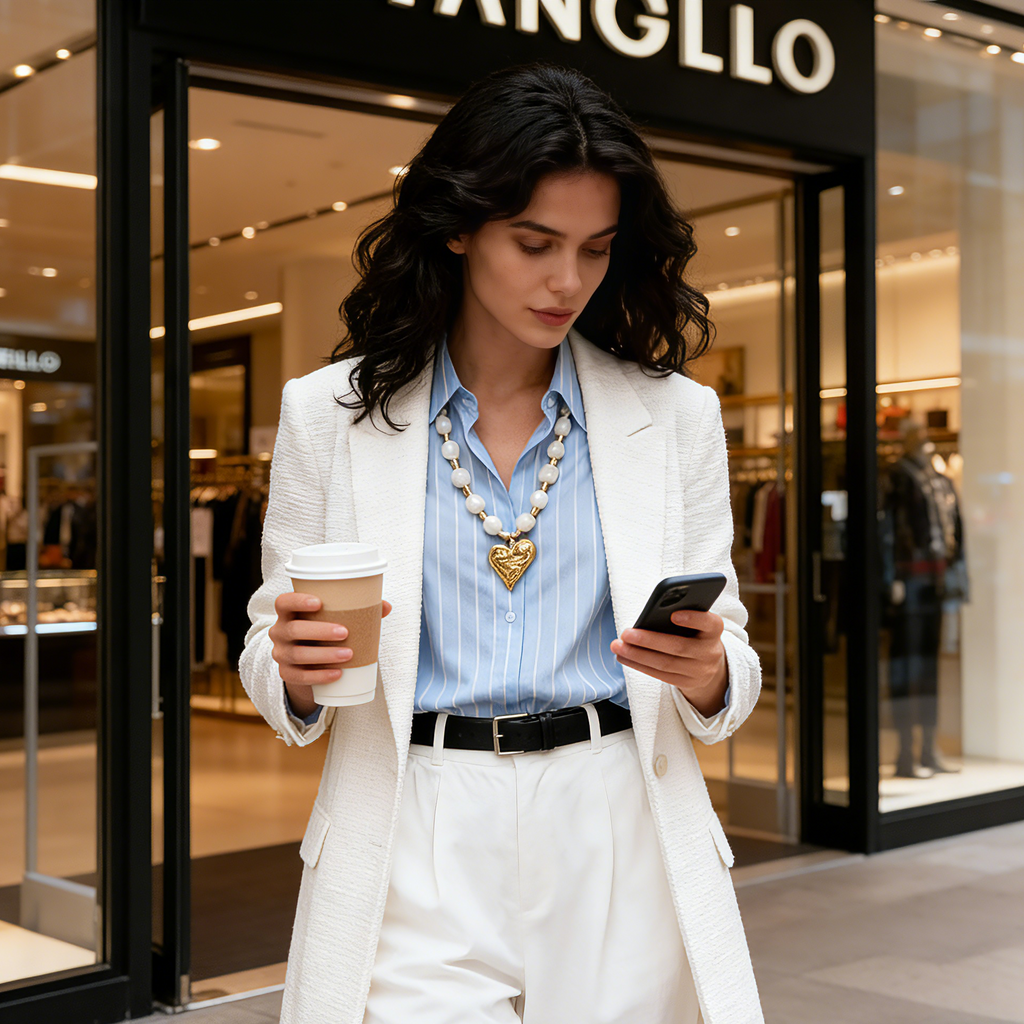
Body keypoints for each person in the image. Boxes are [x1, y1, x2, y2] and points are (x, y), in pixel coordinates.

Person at [239, 62, 764, 1024]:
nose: (567, 281)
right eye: (535, 243)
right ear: (458, 226)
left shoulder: (675, 416)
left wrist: (709, 673)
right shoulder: (327, 416)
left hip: (616, 817)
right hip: (413, 817)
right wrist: (296, 668)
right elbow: (273, 645)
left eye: (596, 249)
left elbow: (726, 646)